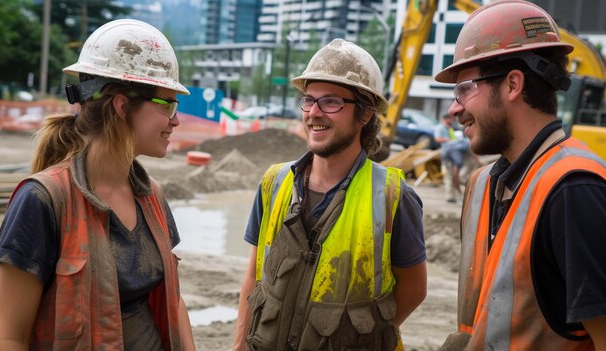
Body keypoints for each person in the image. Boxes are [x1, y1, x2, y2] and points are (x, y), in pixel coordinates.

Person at [0, 19, 196, 350]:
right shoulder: (42, 201)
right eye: (168, 104)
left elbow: (174, 302)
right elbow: (10, 338)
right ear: (121, 106)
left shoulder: (152, 197)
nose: (175, 119)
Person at [233, 39, 427, 351]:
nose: (314, 113)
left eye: (331, 102)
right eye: (309, 101)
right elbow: (253, 277)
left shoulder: (392, 196)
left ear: (364, 114)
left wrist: (363, 337)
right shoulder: (275, 182)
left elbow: (414, 289)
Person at [434, 1, 606, 350]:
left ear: (513, 85)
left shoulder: (574, 190)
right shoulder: (484, 184)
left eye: (465, 88)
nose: (454, 108)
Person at [434, 113, 470, 203]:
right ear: (446, 119)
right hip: (447, 153)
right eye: (451, 119)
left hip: (453, 152)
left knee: (453, 175)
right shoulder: (440, 128)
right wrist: (448, 140)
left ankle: (453, 195)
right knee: (449, 176)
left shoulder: (449, 128)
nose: (453, 120)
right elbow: (437, 139)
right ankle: (450, 196)